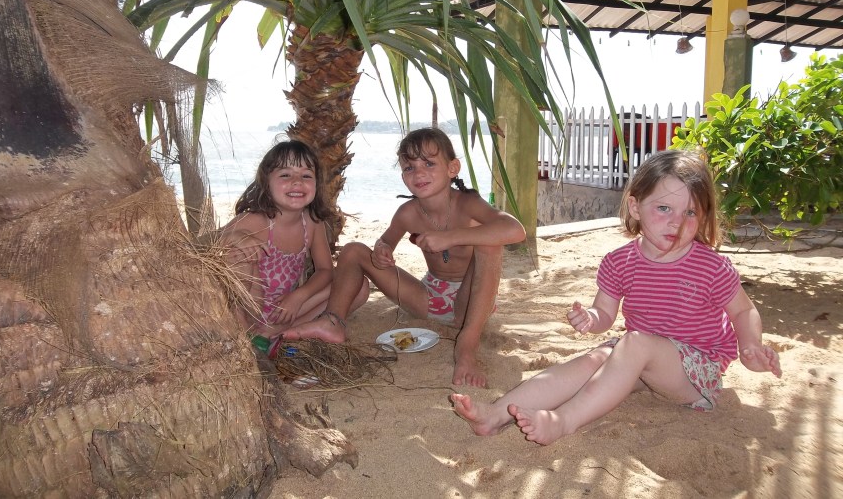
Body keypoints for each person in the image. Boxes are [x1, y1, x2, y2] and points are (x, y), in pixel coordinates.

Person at [451, 149, 782, 445]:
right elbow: (605, 314)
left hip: (695, 373)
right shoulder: (620, 262)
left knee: (634, 343)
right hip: (643, 363)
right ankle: (495, 414)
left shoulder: (710, 266)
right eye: (664, 208)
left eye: (690, 213)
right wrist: (590, 318)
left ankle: (563, 421)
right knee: (593, 360)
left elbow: (743, 311)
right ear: (635, 207)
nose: (677, 222)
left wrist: (750, 345)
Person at [284, 127, 526, 387]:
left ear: (452, 168)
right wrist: (382, 251)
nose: (418, 173)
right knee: (353, 250)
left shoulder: (468, 204)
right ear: (403, 176)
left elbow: (515, 230)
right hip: (428, 298)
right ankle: (333, 321)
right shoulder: (407, 213)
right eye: (409, 167)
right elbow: (385, 241)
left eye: (429, 163)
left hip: (471, 303)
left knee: (490, 243)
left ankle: (466, 346)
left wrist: (451, 237)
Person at [220, 139, 369, 346]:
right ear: (266, 182)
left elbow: (325, 270)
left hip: (284, 309)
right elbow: (207, 243)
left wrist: (298, 297)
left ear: (317, 184)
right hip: (248, 310)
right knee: (236, 253)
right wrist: (234, 237)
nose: (297, 181)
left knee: (359, 286)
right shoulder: (255, 219)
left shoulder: (312, 223)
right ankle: (246, 338)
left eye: (306, 175)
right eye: (285, 175)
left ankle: (275, 335)